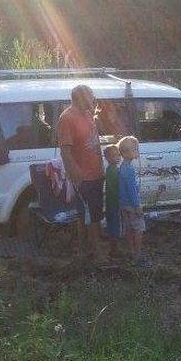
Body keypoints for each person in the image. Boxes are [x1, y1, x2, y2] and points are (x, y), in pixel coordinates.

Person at [58, 84, 105, 264]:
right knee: (92, 216)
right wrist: (77, 177)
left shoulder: (87, 114)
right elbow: (65, 152)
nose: (93, 99)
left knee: (87, 213)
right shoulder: (67, 118)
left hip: (96, 173)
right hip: (84, 176)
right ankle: (97, 252)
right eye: (90, 96)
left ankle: (83, 250)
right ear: (81, 98)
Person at [117, 135, 150, 267]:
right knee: (138, 229)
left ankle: (130, 252)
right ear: (125, 153)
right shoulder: (129, 170)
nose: (137, 151)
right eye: (135, 149)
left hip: (124, 205)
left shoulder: (123, 167)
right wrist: (137, 206)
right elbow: (131, 190)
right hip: (132, 205)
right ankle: (137, 255)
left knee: (128, 229)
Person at [103, 144, 123, 257]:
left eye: (119, 155)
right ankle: (114, 249)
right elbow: (114, 188)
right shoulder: (113, 171)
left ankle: (114, 247)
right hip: (114, 203)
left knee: (113, 225)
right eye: (115, 156)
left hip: (112, 203)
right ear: (108, 158)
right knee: (114, 225)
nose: (118, 157)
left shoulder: (112, 169)